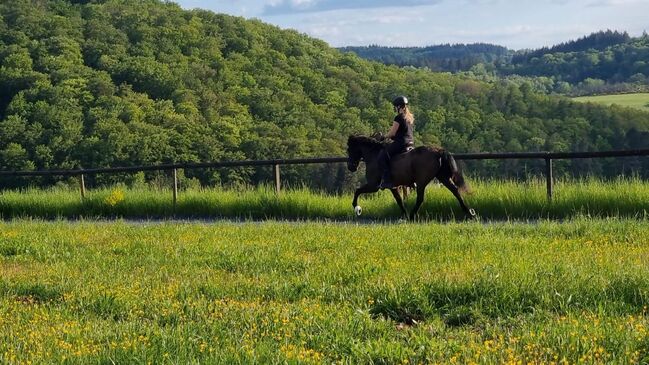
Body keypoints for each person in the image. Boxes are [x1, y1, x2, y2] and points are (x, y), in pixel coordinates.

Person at [377, 95, 415, 189]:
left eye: (395, 107)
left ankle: (387, 180)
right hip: (410, 142)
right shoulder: (409, 117)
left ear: (398, 107)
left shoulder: (398, 117)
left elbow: (392, 133)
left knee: (382, 155)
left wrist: (383, 137)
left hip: (401, 143)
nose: (395, 108)